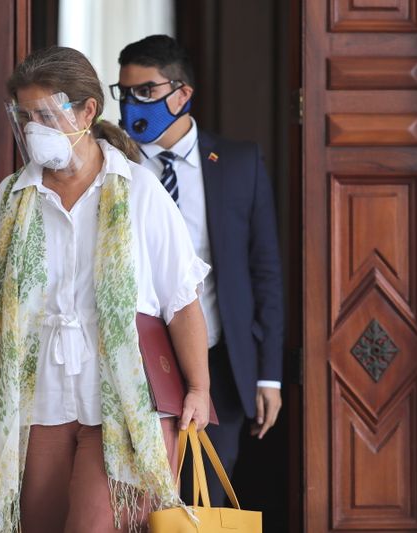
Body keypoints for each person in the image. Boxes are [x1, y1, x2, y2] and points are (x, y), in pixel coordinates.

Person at [0, 46, 211, 532]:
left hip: (126, 403)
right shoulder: (9, 200)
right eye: (26, 117)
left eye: (46, 115)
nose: (34, 129)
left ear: (87, 111)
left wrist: (198, 387)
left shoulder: (139, 190)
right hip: (38, 402)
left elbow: (181, 300)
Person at [114, 35, 284, 506]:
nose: (132, 104)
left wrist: (268, 376)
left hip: (219, 366)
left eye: (145, 92)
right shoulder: (115, 168)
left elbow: (264, 269)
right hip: (133, 364)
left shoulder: (238, 162)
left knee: (204, 498)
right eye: (124, 93)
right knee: (137, 500)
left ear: (182, 93)